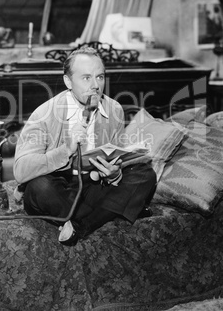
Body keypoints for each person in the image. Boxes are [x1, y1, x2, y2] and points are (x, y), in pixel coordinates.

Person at [13, 47, 156, 245]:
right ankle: (120, 208)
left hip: (95, 185)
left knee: (145, 173)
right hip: (60, 187)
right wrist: (66, 150)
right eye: (86, 78)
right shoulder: (44, 114)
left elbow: (116, 157)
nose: (96, 86)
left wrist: (115, 174)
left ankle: (81, 225)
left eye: (100, 77)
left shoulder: (114, 109)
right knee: (38, 188)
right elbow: (21, 170)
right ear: (68, 82)